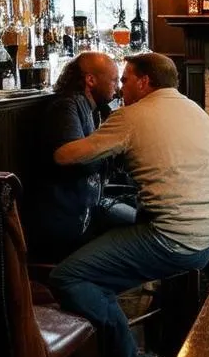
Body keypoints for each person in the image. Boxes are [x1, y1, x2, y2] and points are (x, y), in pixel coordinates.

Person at [49, 52, 209, 357]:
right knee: (116, 229)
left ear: (144, 82)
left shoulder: (131, 116)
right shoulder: (196, 110)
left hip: (173, 241)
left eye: (126, 79)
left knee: (70, 277)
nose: (120, 87)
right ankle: (153, 345)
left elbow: (64, 155)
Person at [25, 51, 135, 257]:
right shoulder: (67, 105)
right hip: (65, 220)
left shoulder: (96, 109)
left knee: (143, 216)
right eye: (113, 80)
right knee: (143, 225)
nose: (118, 87)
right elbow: (72, 159)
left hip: (89, 209)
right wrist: (114, 150)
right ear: (91, 80)